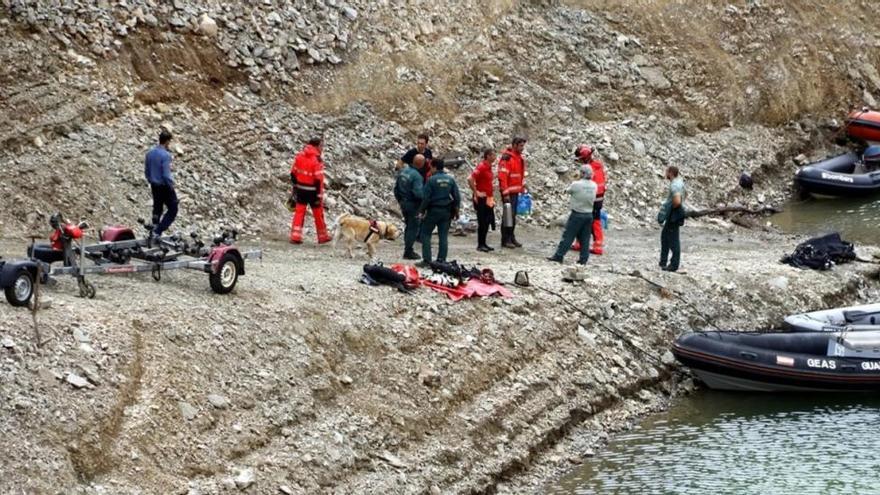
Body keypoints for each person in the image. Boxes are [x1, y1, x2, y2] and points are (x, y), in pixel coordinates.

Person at [547, 165, 597, 265]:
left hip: (577, 214)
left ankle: (559, 255)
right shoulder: (594, 185)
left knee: (568, 236)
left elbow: (567, 191)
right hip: (588, 214)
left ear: (582, 173)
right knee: (585, 239)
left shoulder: (576, 184)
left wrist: (576, 179)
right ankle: (583, 260)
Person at [418, 159, 461, 266]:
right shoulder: (450, 180)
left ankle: (427, 260)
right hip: (446, 212)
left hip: (433, 211)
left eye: (431, 167)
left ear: (434, 167)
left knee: (426, 234)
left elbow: (426, 198)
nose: (430, 170)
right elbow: (457, 196)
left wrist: (421, 211)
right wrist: (456, 210)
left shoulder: (431, 180)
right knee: (443, 236)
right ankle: (441, 260)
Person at [289, 137, 331, 244]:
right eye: (321, 146)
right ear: (316, 146)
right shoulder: (317, 159)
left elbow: (293, 173)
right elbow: (319, 179)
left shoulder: (299, 156)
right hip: (313, 191)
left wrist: (296, 186)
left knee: (299, 213)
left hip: (301, 189)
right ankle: (323, 237)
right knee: (318, 214)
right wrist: (319, 195)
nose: (322, 148)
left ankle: (295, 236)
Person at [144, 129, 178, 239]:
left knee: (157, 207)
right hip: (164, 186)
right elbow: (166, 174)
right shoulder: (166, 155)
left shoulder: (150, 153)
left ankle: (153, 228)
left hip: (154, 185)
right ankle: (158, 231)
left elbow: (147, 170)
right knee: (173, 208)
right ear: (167, 141)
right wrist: (171, 184)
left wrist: (151, 180)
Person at [575, 145, 607, 255]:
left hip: (591, 198)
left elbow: (586, 185)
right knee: (595, 220)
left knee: (584, 220)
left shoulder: (589, 169)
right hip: (599, 198)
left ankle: (591, 245)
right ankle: (592, 244)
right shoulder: (598, 166)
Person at [394, 153, 426, 260]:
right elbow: (418, 194)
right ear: (421, 164)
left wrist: (400, 201)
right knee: (413, 227)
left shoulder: (403, 172)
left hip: (403, 203)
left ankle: (407, 248)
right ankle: (408, 251)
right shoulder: (417, 176)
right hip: (413, 205)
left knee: (408, 226)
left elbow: (396, 189)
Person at [498, 136, 527, 248]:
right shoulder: (507, 158)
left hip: (514, 191)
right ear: (514, 145)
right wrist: (505, 193)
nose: (522, 148)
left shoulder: (518, 158)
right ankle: (505, 240)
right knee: (508, 216)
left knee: (512, 215)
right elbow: (502, 176)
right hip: (508, 192)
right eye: (520, 146)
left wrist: (521, 187)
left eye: (523, 146)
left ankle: (511, 237)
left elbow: (518, 175)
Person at [658, 166, 687, 272]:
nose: (665, 174)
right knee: (665, 237)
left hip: (674, 213)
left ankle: (674, 265)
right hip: (676, 212)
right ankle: (663, 262)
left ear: (670, 173)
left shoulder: (675, 185)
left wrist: (670, 209)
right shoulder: (680, 182)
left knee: (673, 239)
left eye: (666, 172)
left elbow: (677, 201)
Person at [468, 148, 496, 252]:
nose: (495, 157)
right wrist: (476, 192)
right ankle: (480, 244)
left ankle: (484, 243)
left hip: (488, 198)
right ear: (488, 156)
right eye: (493, 155)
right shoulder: (482, 166)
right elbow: (470, 178)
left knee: (488, 221)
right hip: (482, 199)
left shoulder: (489, 167)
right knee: (482, 221)